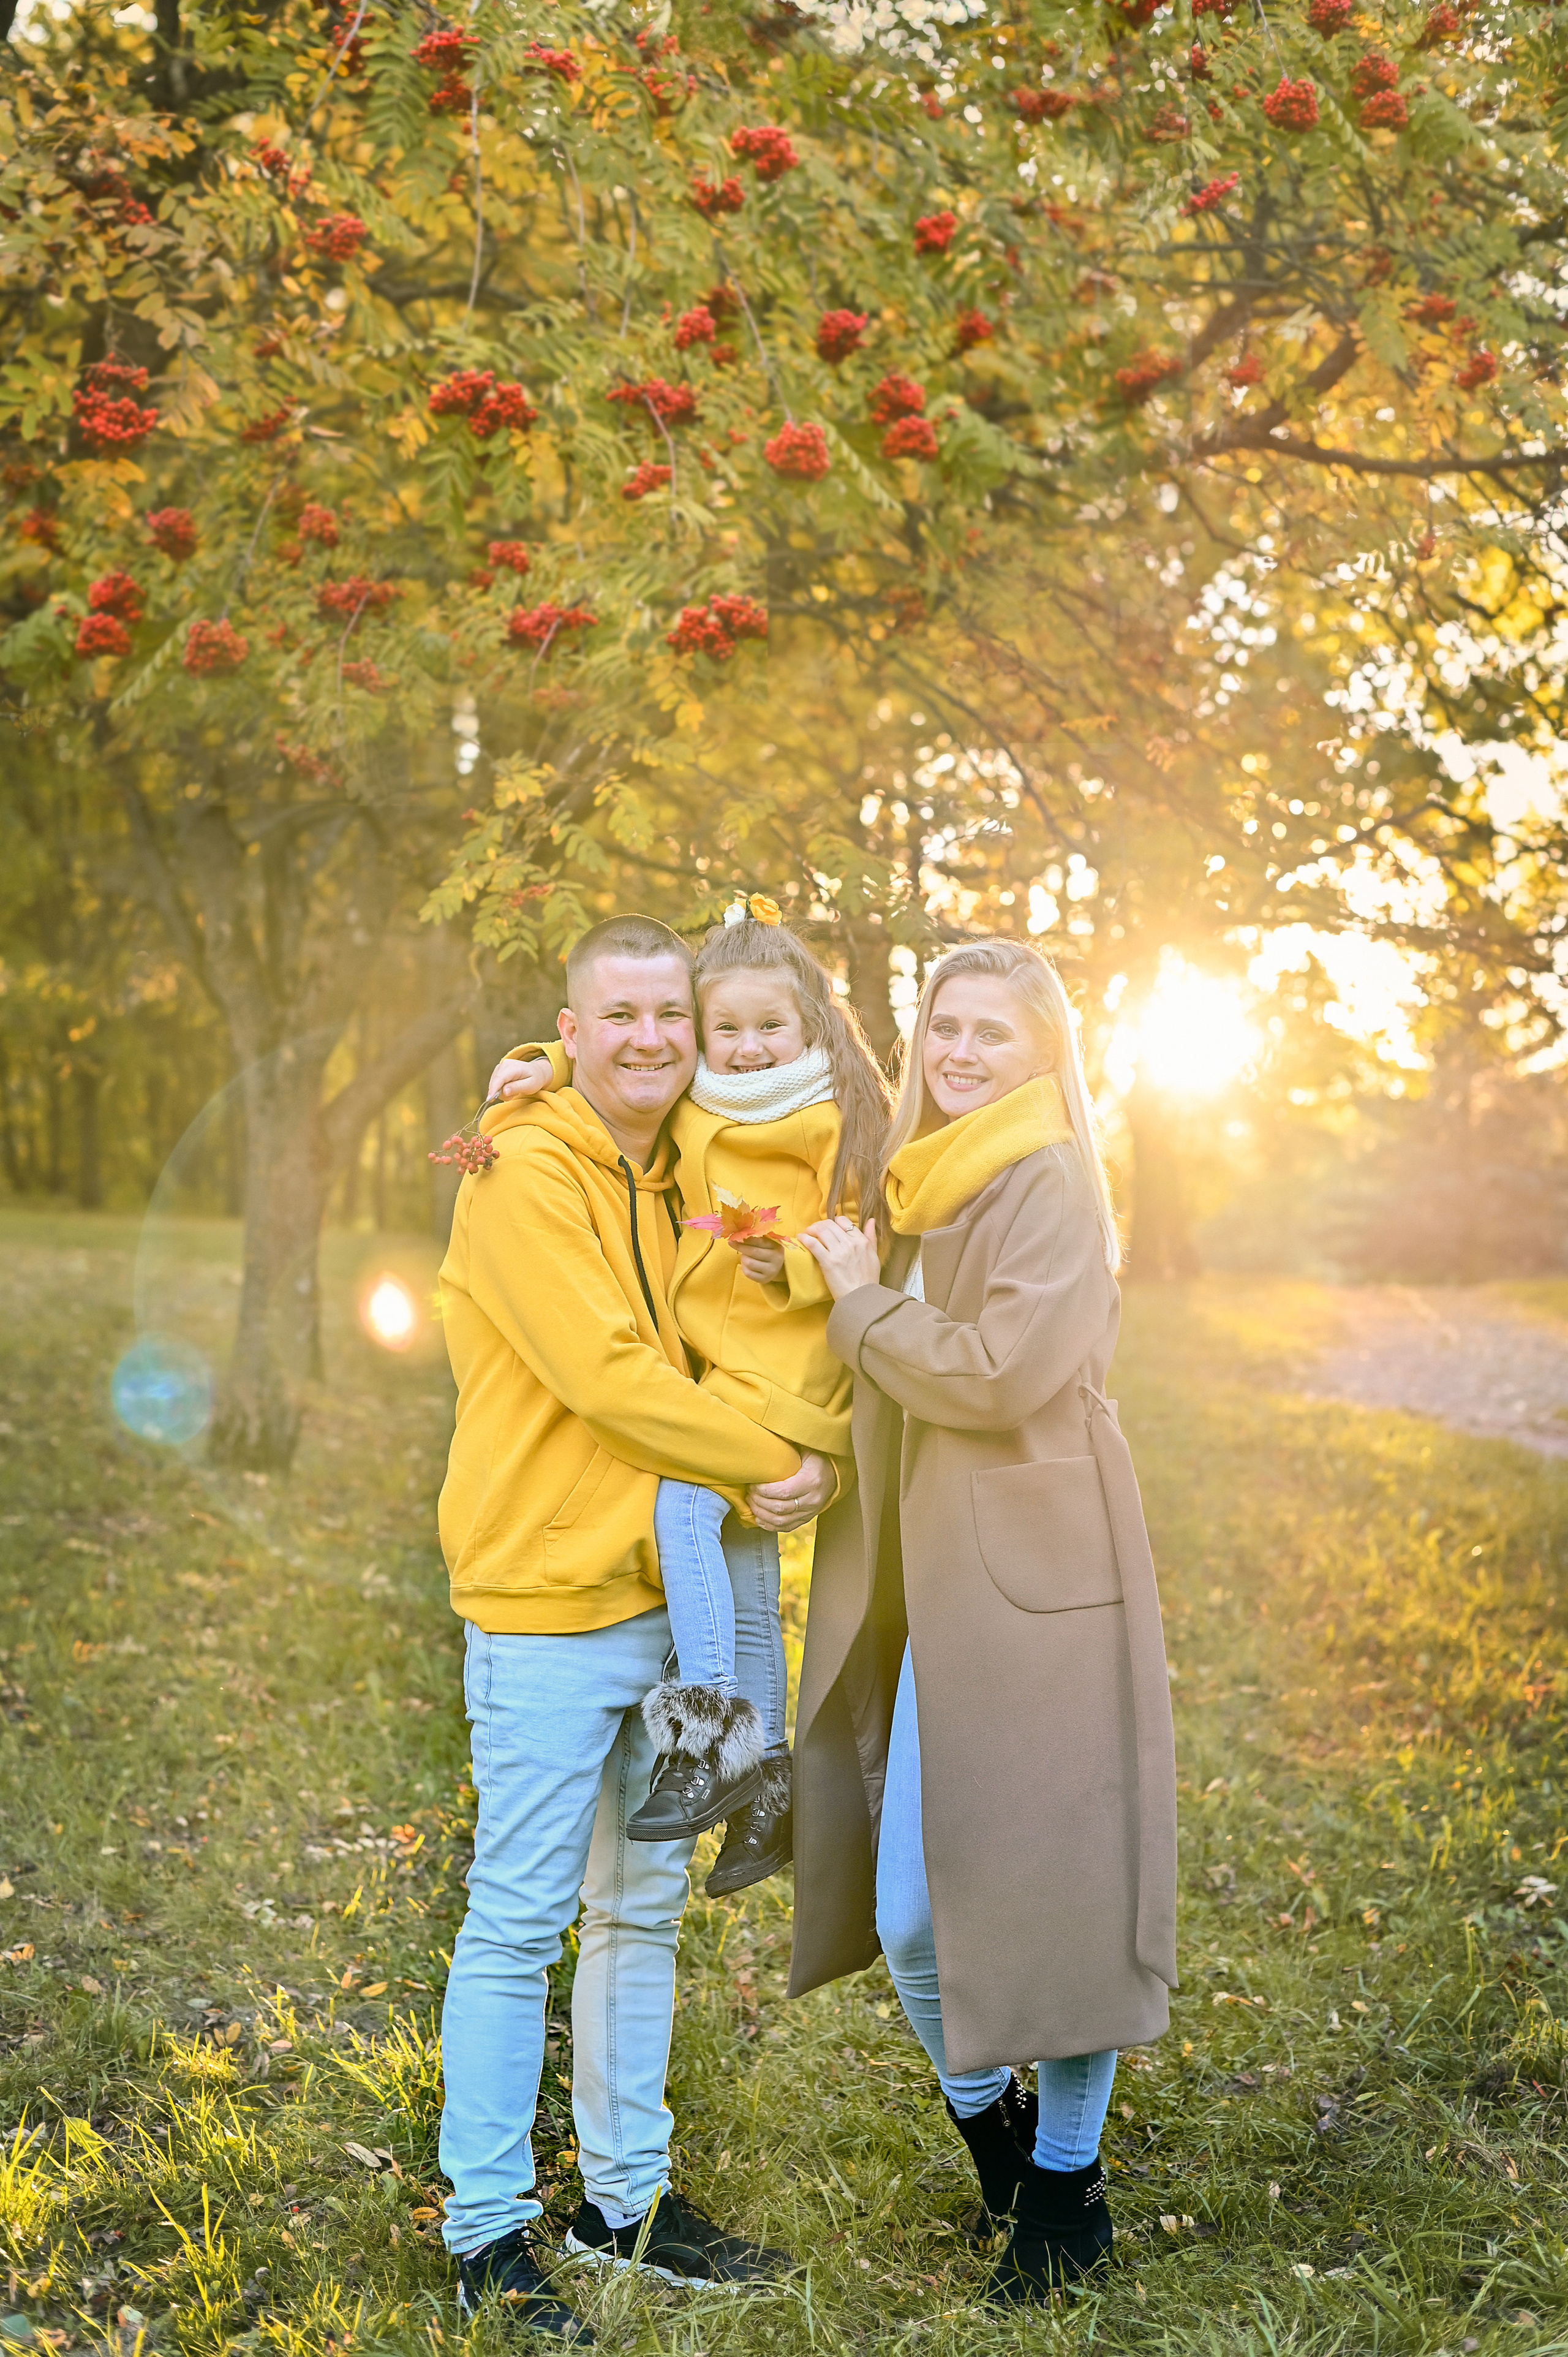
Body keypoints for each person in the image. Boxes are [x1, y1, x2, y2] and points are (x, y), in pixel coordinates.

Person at [437, 914, 835, 2342]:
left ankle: (628, 2199)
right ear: (570, 1018)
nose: (654, 1039)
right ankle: (486, 2226)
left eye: (670, 1012)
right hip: (546, 1602)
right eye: (616, 1017)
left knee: (642, 1910)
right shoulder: (519, 1166)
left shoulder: (679, 1168)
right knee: (520, 1917)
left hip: (680, 1598)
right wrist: (758, 1457)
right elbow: (604, 1372)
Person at [791, 939, 1178, 2307]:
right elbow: (751, 1060)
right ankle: (999, 2149)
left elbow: (1003, 1370)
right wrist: (537, 1076)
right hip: (930, 1575)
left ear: (1042, 1054)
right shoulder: (919, 1176)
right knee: (911, 1915)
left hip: (1040, 1579)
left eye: (990, 1035)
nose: (956, 1053)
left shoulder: (1049, 1177)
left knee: (1058, 1903)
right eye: (941, 1028)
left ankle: (1064, 2196)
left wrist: (858, 1307)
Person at [487, 901, 892, 1894]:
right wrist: (547, 1058)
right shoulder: (701, 1104)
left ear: (814, 1031)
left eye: (772, 1030)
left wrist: (790, 1268)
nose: (747, 1051)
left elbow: (859, 1240)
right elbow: (629, 1050)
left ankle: (705, 1736)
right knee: (745, 1566)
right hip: (733, 1379)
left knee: (685, 1505)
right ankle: (766, 1787)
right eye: (727, 1031)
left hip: (784, 1378)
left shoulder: (830, 1114)